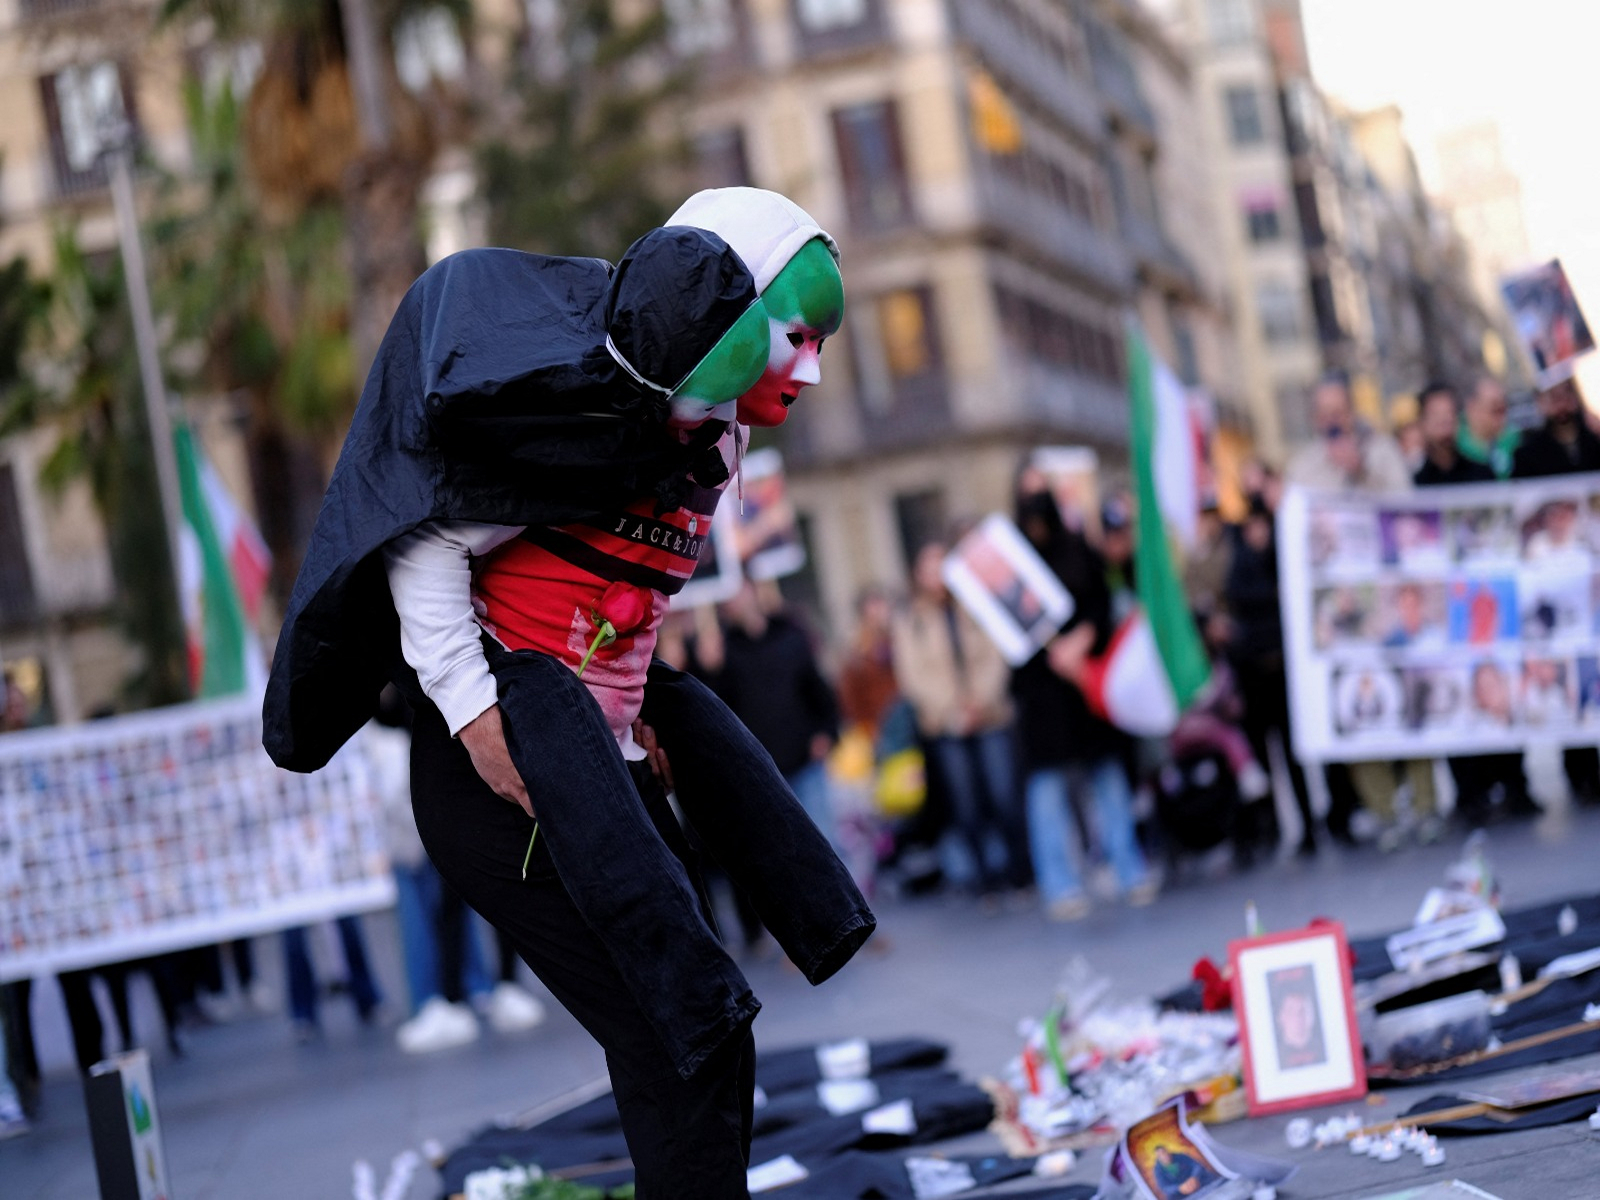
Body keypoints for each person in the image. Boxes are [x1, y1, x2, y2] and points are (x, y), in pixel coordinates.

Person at [264, 191, 872, 1195]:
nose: (810, 368)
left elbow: (619, 584)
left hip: (604, 753)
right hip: (508, 771)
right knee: (681, 1029)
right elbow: (425, 541)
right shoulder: (585, 408)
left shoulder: (719, 437)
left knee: (709, 1028)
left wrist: (634, 707)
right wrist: (473, 712)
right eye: (797, 337)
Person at [1287, 377, 1436, 848]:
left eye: (1340, 410)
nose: (1333, 419)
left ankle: (1427, 805)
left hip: (1390, 598)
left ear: (1352, 410)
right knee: (1357, 700)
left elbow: (1409, 510)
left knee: (1410, 694)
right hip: (1345, 607)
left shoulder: (1384, 453)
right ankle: (1384, 808)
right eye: (1324, 412)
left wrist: (1362, 473)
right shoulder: (1304, 466)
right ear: (1315, 419)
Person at [1011, 474, 1153, 919]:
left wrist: (1082, 640)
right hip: (1041, 694)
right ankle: (1061, 885)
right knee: (1047, 791)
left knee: (1107, 780)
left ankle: (1128, 868)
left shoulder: (1078, 549)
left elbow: (1100, 605)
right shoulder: (1011, 558)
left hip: (1084, 686)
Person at [1413, 383, 1535, 825]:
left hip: (1486, 599)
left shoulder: (1482, 471)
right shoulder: (1416, 484)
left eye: (1451, 416)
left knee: (1497, 678)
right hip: (1447, 609)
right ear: (1424, 423)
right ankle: (1470, 793)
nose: (1445, 426)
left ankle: (1514, 782)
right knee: (1457, 689)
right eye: (1437, 417)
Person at [891, 539, 1030, 900]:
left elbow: (995, 654)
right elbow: (914, 677)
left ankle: (1019, 872)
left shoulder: (974, 604)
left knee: (1004, 794)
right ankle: (985, 879)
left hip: (990, 713)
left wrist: (979, 700)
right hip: (945, 723)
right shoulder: (911, 618)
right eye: (929, 567)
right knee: (965, 803)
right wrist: (952, 709)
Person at [1512, 376, 1600, 804]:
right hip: (1554, 584)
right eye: (1550, 397)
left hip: (1593, 579)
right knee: (1566, 667)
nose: (1559, 404)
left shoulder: (1595, 441)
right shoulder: (1528, 455)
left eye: (1565, 394)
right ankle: (1580, 770)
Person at [1225, 480, 1319, 857]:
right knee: (1265, 757)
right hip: (1255, 674)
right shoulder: (1241, 566)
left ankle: (1311, 823)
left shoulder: (1281, 557)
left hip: (1283, 672)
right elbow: (1241, 600)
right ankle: (1277, 829)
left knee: (1295, 755)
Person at [1458, 374, 1519, 479]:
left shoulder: (1516, 440)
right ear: (1472, 407)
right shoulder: (1456, 447)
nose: (1501, 415)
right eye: (1494, 409)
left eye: (1502, 410)